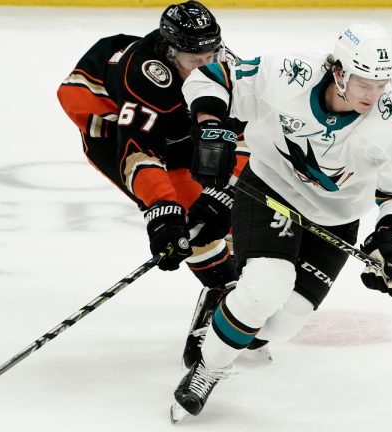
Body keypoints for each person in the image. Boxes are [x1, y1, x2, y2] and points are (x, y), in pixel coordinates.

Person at [171, 23, 392, 420]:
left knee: (283, 322)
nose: (373, 94)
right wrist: (210, 123)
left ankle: (223, 305)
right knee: (264, 289)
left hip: (336, 217)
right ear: (339, 70)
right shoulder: (289, 74)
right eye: (363, 82)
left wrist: (390, 238)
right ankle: (209, 368)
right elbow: (213, 76)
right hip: (271, 188)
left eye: (382, 83)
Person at [56, 1, 250, 369]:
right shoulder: (146, 77)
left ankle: (233, 286)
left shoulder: (223, 68)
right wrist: (163, 211)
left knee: (228, 213)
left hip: (176, 126)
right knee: (194, 223)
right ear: (170, 51)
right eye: (196, 59)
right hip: (112, 125)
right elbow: (137, 152)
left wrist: (228, 192)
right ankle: (222, 295)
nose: (208, 65)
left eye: (213, 53)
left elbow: (246, 136)